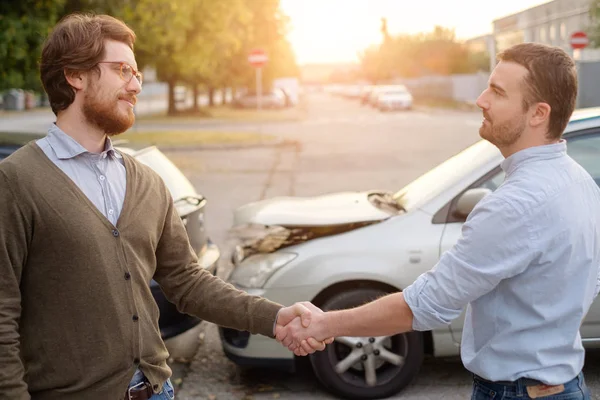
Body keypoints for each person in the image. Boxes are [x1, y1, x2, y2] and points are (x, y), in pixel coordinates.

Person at [0, 13, 326, 400]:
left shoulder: (148, 181)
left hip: (156, 390)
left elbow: (188, 281)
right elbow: (3, 313)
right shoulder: (16, 181)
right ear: (75, 75)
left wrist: (273, 317)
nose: (135, 85)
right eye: (122, 70)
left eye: (136, 73)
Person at [279, 43, 600, 399]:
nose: (481, 100)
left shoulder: (514, 206)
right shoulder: (580, 181)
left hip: (518, 392)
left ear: (538, 114)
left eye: (497, 92)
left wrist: (326, 323)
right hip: (566, 386)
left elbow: (425, 305)